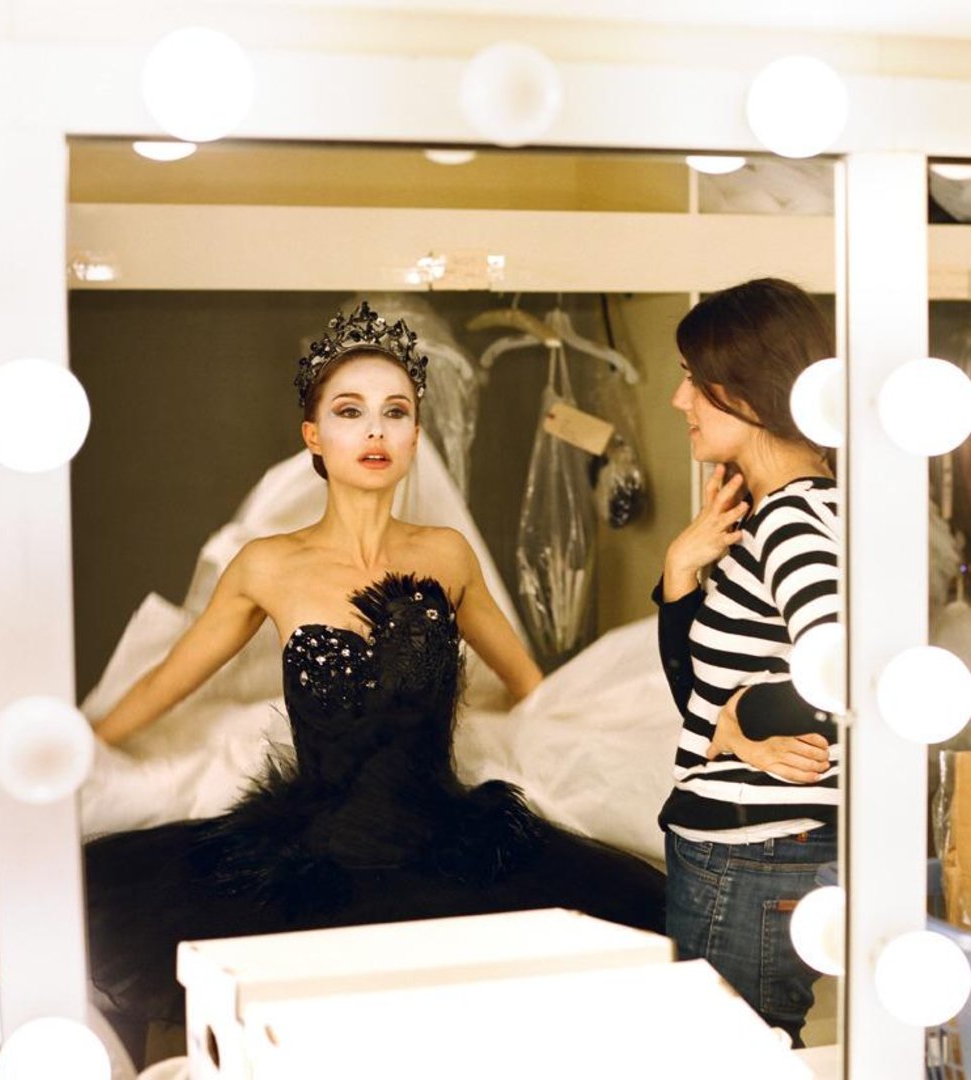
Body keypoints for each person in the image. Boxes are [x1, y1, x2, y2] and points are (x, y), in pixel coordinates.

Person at [85, 300, 665, 1035]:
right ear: (314, 436)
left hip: (449, 849)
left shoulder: (446, 555)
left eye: (395, 412)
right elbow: (169, 681)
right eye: (350, 411)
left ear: (416, 435)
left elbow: (533, 688)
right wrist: (84, 746)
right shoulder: (269, 565)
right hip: (309, 863)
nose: (374, 431)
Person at [653, 278, 839, 1047]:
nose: (677, 399)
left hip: (754, 855)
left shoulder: (796, 520)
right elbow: (697, 696)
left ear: (747, 390)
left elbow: (856, 667)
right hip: (745, 851)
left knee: (732, 1059)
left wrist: (746, 721)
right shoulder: (773, 515)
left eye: (696, 380)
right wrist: (680, 574)